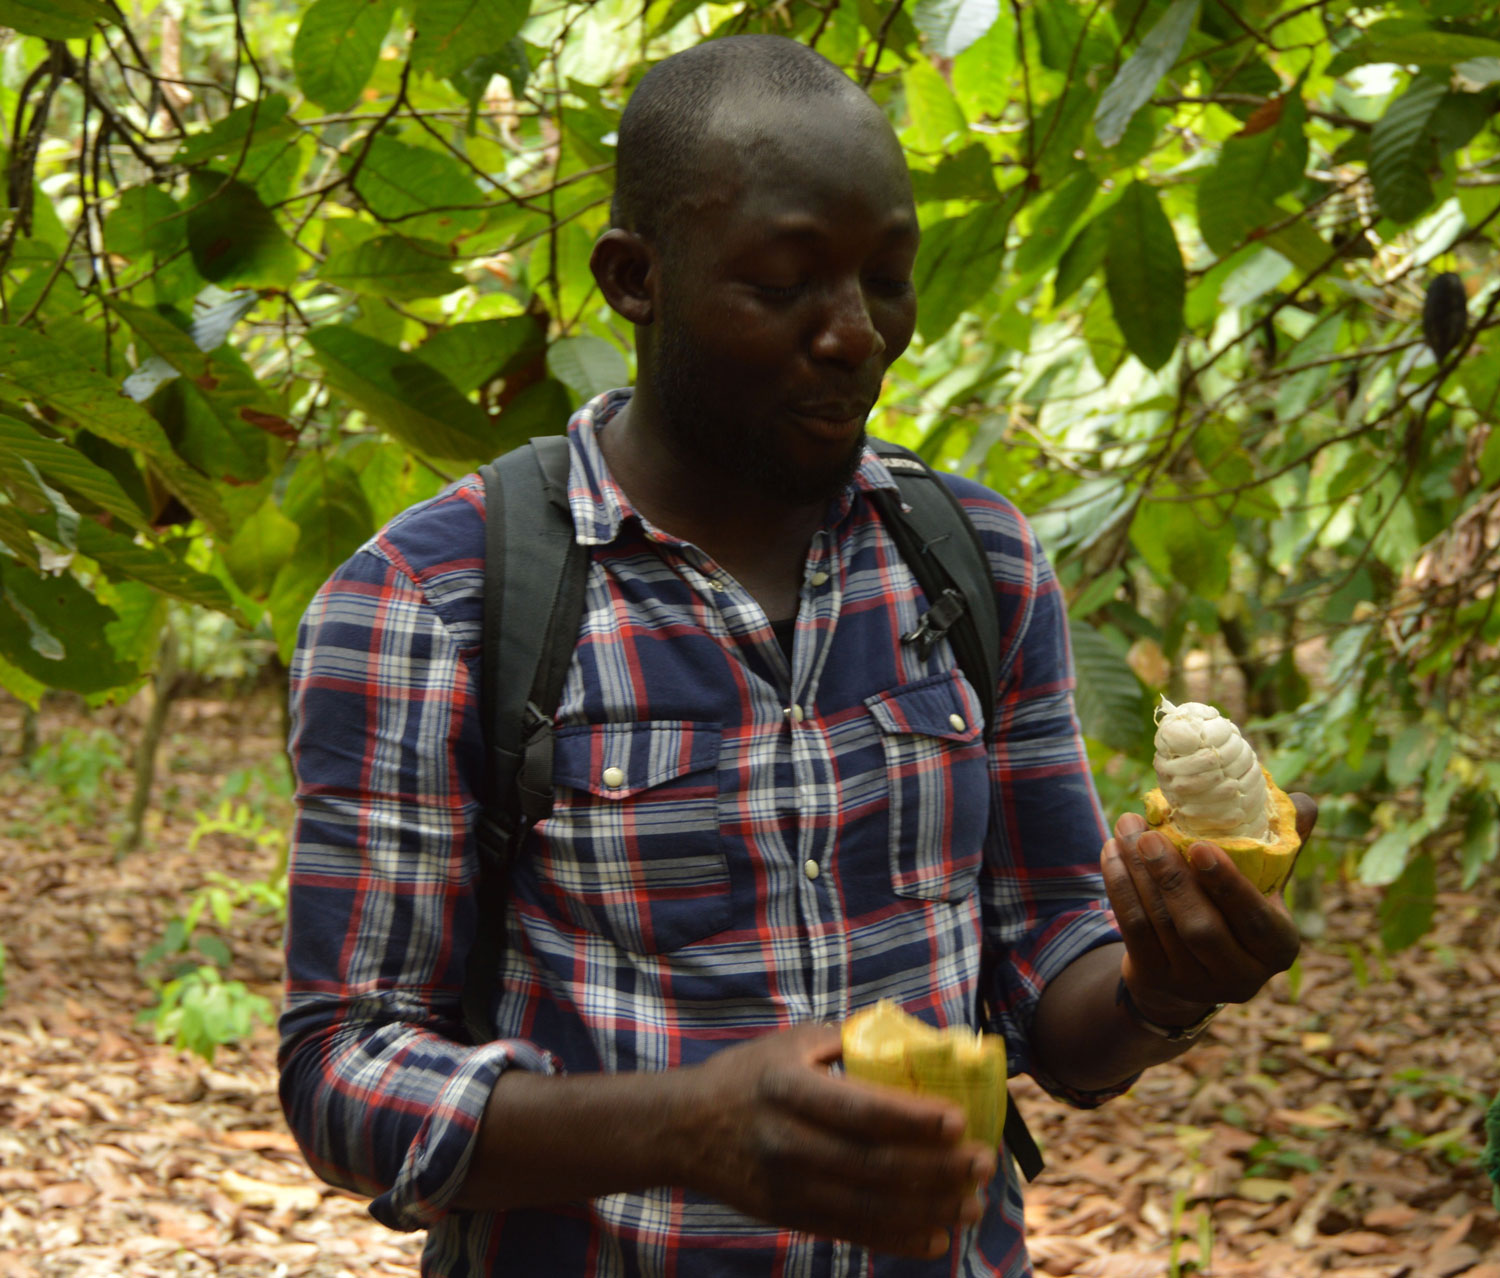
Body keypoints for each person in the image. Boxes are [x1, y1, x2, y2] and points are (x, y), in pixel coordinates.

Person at [278, 34, 1314, 1277]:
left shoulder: (974, 561)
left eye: (888, 278)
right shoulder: (432, 599)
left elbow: (1056, 993)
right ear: (634, 278)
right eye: (787, 281)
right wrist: (684, 1125)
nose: (857, 335)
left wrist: (1165, 981)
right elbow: (345, 1074)